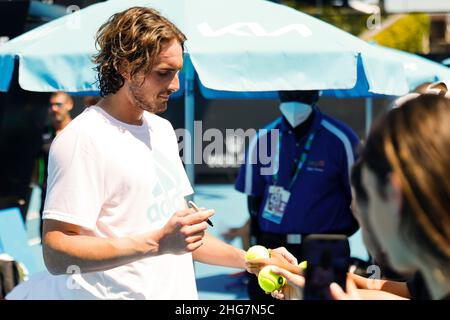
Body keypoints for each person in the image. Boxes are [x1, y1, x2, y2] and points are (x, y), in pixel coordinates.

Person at [6, 6, 276, 300]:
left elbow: (183, 240)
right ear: (125, 67)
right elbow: (57, 254)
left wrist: (251, 261)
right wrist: (156, 243)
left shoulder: (160, 129)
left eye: (176, 73)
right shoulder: (82, 139)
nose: (174, 85)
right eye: (163, 73)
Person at [267, 94, 450, 300]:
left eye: (366, 197)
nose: (363, 215)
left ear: (393, 193)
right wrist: (317, 284)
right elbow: (409, 295)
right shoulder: (437, 273)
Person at [233, 90, 360, 299]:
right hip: (274, 245)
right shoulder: (263, 138)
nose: (294, 101)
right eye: (288, 94)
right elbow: (254, 199)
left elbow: (358, 199)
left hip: (323, 248)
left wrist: (340, 234)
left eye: (302, 95)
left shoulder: (341, 139)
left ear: (316, 95)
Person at [36, 92, 74, 237]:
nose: (54, 109)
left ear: (69, 105)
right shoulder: (45, 133)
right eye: (51, 105)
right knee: (46, 240)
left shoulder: (78, 131)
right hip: (48, 197)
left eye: (58, 104)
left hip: (71, 197)